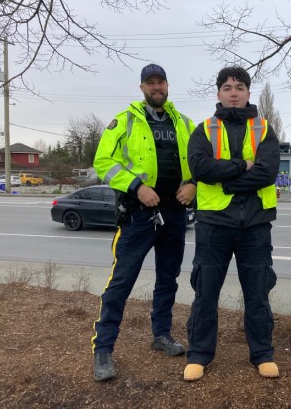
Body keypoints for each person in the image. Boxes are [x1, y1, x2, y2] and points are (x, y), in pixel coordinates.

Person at [91, 63, 197, 381]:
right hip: (139, 215)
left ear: (167, 85)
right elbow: (103, 161)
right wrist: (137, 187)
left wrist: (193, 183)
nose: (156, 87)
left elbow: (199, 161)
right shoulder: (124, 121)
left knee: (168, 280)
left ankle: (161, 335)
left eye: (160, 82)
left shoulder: (185, 123)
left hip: (174, 215)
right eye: (150, 83)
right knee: (120, 284)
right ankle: (103, 350)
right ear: (142, 88)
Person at [183, 66, 280, 381]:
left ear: (249, 92)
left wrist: (226, 181)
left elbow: (266, 172)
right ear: (219, 93)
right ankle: (198, 355)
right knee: (205, 293)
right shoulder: (204, 129)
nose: (234, 92)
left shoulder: (265, 129)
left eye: (239, 87)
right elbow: (199, 168)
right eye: (227, 87)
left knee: (257, 293)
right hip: (214, 225)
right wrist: (241, 165)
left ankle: (262, 354)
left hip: (255, 225)